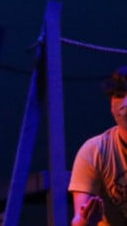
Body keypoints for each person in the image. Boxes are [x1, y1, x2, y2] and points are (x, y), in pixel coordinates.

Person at [68, 66, 127, 226]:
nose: (125, 103)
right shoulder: (94, 151)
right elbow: (78, 220)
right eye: (120, 95)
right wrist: (86, 220)